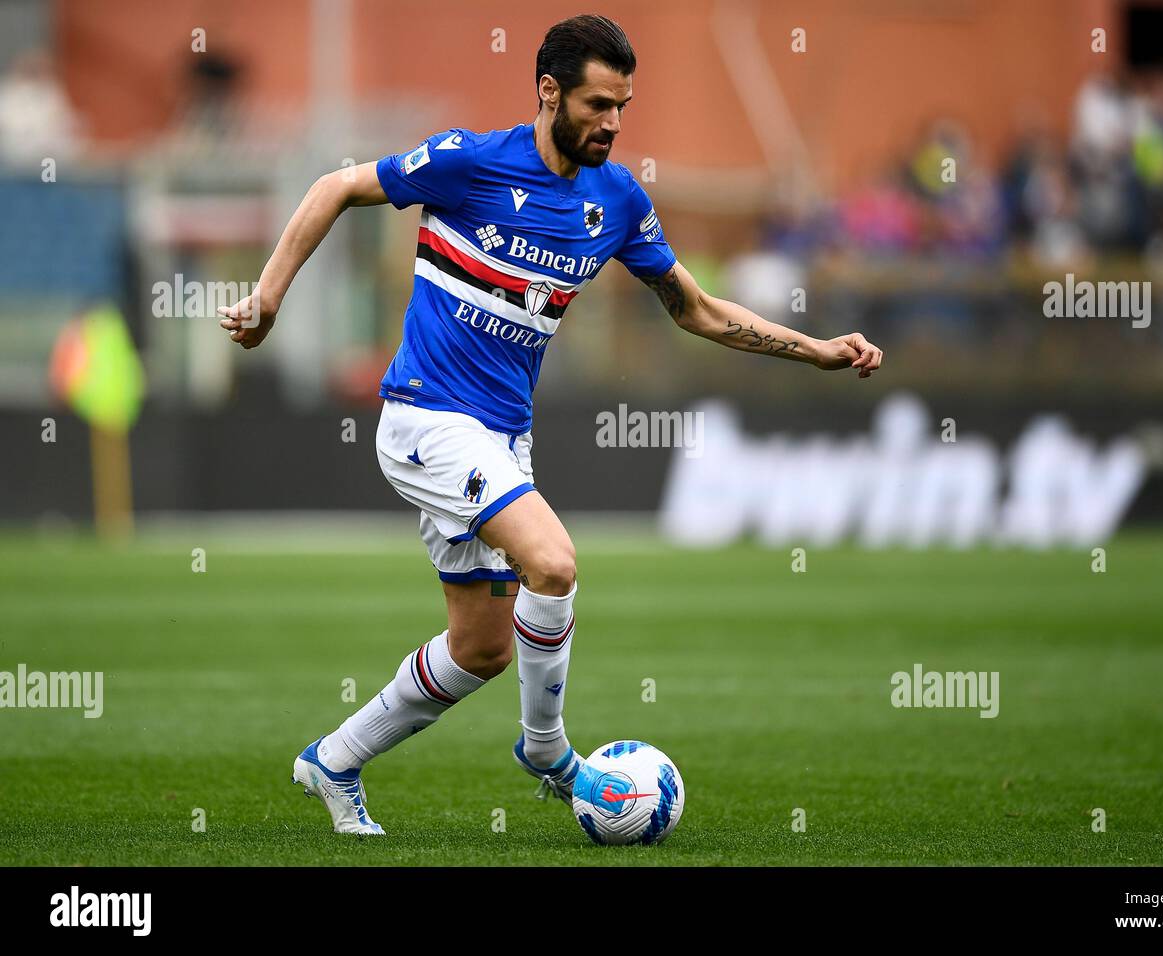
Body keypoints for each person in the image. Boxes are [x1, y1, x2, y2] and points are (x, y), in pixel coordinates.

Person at [218, 14, 882, 834]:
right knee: (555, 562)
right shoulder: (468, 161)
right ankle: (548, 751)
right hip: (426, 417)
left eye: (623, 108)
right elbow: (334, 187)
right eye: (598, 104)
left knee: (482, 649)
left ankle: (335, 760)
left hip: (502, 438)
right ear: (548, 91)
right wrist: (270, 297)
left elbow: (696, 309)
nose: (612, 123)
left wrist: (813, 349)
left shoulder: (617, 198)